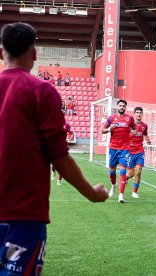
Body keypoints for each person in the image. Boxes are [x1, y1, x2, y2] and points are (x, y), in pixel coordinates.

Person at [0, 22, 108, 275]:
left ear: (2, 51)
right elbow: (58, 156)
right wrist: (91, 193)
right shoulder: (42, 92)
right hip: (23, 214)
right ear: (34, 53)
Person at [101, 99, 136, 203]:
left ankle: (121, 195)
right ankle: (113, 185)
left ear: (125, 107)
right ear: (117, 107)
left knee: (123, 171)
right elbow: (102, 130)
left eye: (124, 106)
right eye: (120, 105)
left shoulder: (129, 119)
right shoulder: (111, 118)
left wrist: (132, 133)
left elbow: (135, 129)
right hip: (113, 148)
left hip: (125, 149)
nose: (122, 107)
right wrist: (109, 129)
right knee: (112, 172)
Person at [126, 107, 151, 199]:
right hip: (130, 151)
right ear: (134, 114)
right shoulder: (129, 126)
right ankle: (126, 178)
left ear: (142, 114)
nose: (139, 114)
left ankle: (134, 192)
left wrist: (148, 140)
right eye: (137, 112)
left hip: (140, 151)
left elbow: (145, 134)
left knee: (138, 172)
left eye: (140, 112)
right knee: (131, 174)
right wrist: (131, 134)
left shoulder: (144, 125)